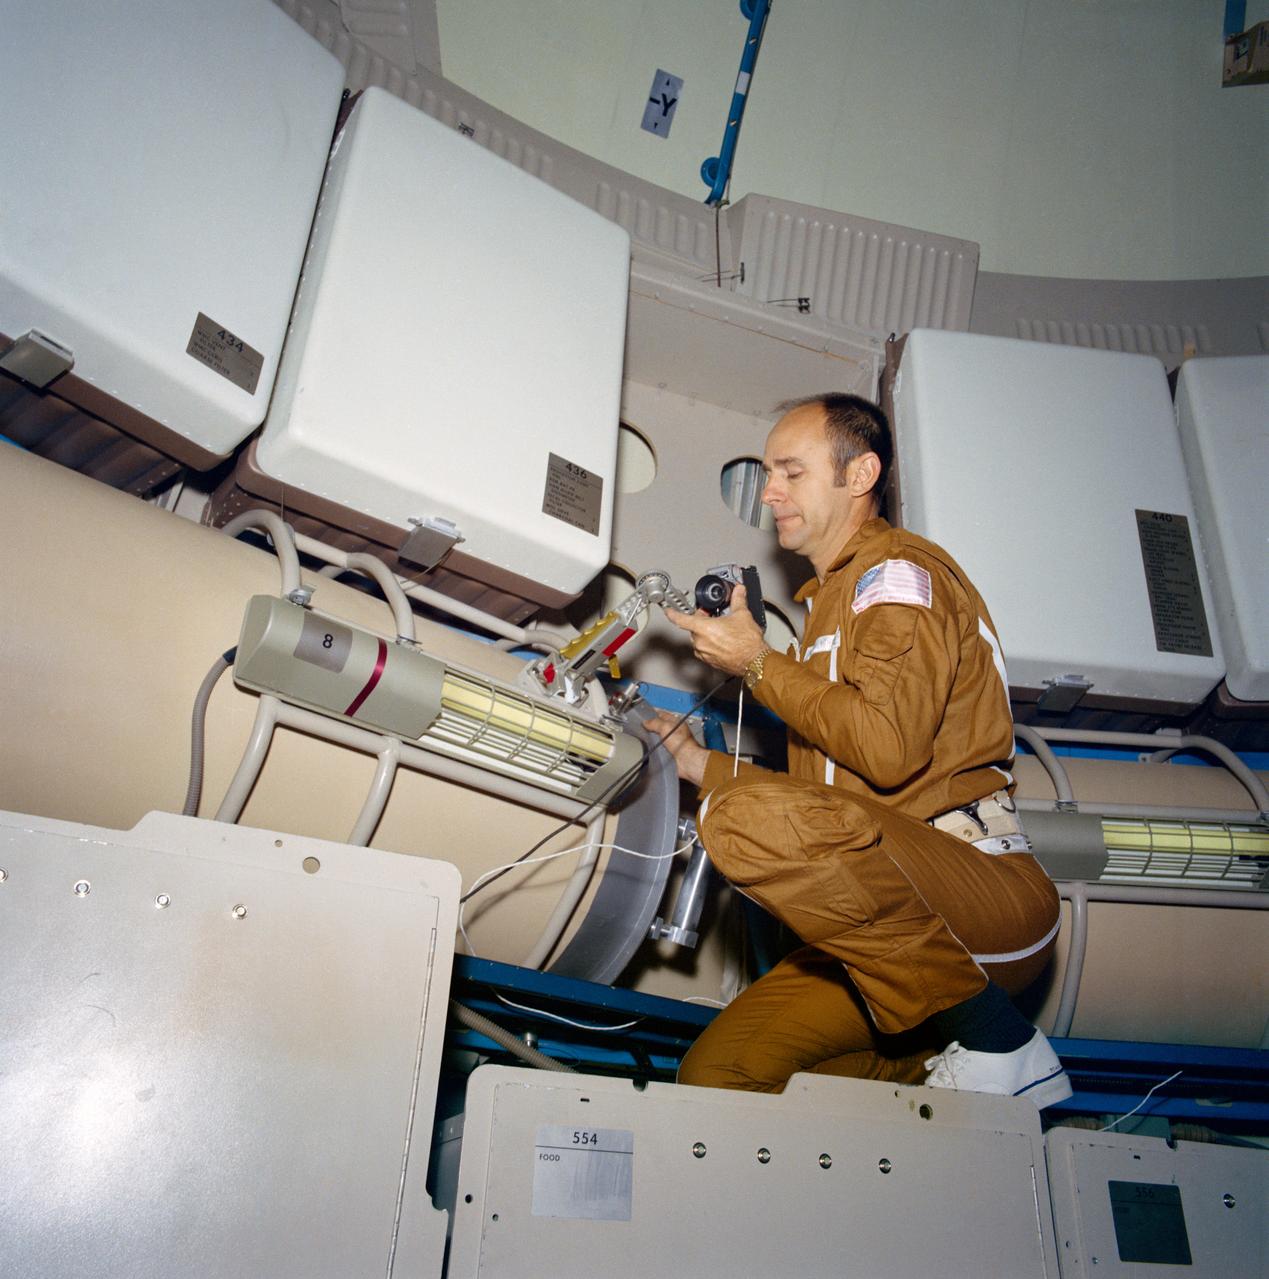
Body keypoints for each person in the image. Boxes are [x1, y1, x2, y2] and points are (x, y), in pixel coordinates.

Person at [644, 393, 1070, 1106]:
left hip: (978, 892)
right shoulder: (831, 606)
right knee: (717, 1078)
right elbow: (839, 798)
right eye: (768, 472)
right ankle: (944, 1086)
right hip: (893, 920)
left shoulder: (897, 576)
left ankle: (1000, 1038)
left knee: (742, 817)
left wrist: (756, 661)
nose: (769, 490)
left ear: (859, 473)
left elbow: (888, 752)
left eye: (790, 471)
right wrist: (695, 761)